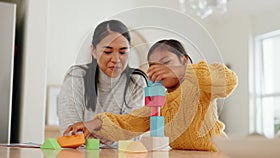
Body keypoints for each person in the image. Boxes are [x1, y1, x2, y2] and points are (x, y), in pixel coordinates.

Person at [64, 39, 238, 151]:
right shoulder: (159, 102)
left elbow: (228, 80)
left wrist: (180, 72)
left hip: (214, 153)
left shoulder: (199, 84)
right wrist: (93, 124)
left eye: (166, 62)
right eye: (154, 65)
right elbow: (130, 121)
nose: (159, 69)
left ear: (184, 60)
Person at [57, 20, 148, 138]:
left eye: (123, 52)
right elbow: (70, 131)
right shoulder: (76, 77)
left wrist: (94, 128)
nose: (116, 59)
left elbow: (132, 133)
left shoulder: (136, 81)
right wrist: (112, 133)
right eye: (107, 52)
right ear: (93, 51)